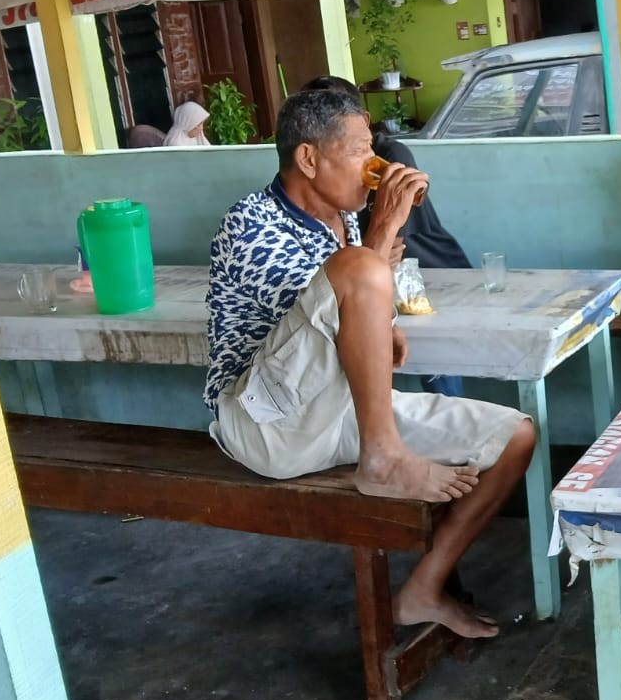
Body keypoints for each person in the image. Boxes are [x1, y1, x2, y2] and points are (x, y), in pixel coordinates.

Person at [204, 86, 536, 639]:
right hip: (267, 425)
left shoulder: (344, 222)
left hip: (343, 415)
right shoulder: (250, 222)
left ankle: (425, 587)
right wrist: (381, 239)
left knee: (515, 437)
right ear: (308, 158)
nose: (373, 165)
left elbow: (345, 322)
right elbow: (329, 304)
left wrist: (379, 320)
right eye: (360, 150)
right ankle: (384, 460)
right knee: (360, 267)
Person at [300, 75, 473, 397]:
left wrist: (364, 253)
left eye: (334, 112)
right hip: (378, 278)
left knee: (433, 357)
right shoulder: (309, 173)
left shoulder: (390, 155)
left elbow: (390, 240)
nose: (324, 122)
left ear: (362, 120)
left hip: (426, 272)